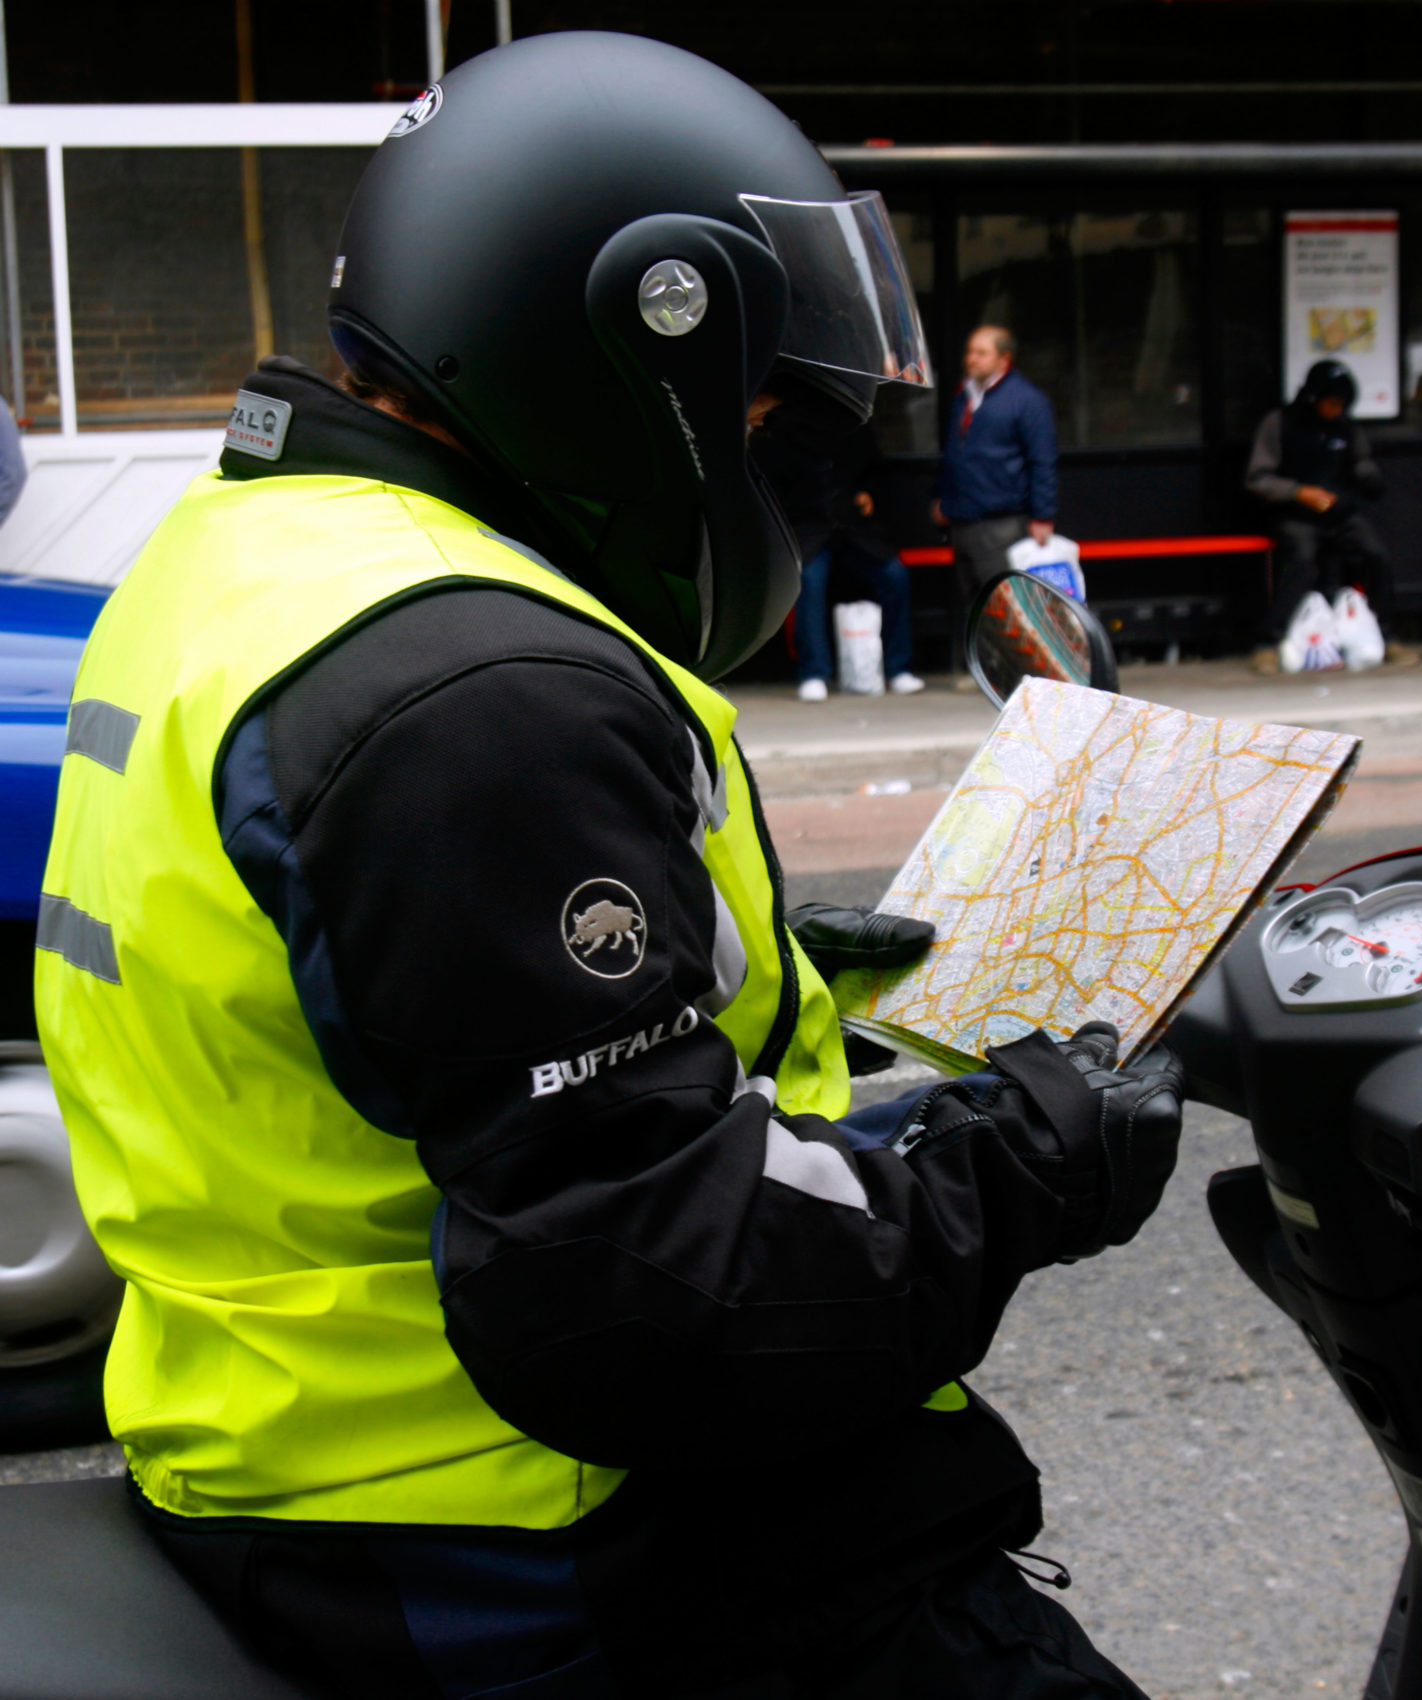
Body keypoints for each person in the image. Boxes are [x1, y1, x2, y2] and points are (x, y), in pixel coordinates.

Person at [35, 33, 1185, 1699]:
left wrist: (749, 965)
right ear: (625, 353)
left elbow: (372, 999)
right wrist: (1022, 1170)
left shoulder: (247, 557)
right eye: (770, 408)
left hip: (306, 1444)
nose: (795, 459)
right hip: (529, 1527)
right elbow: (656, 1299)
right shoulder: (480, 687)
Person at [1245, 358, 1409, 671]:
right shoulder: (1280, 423)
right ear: (1314, 398)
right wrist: (1298, 492)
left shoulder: (1346, 427)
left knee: (1375, 554)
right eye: (1332, 402)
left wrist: (1369, 477)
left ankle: (1388, 637)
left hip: (1340, 515)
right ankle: (1267, 643)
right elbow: (1258, 478)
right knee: (1302, 560)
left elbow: (1361, 462)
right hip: (1294, 514)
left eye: (1342, 404)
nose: (1337, 409)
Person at [755, 416, 925, 700]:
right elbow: (777, 483)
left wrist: (867, 493)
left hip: (854, 527)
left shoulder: (854, 422)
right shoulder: (786, 428)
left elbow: (875, 471)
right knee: (808, 581)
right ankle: (813, 672)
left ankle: (898, 669)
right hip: (811, 528)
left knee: (895, 575)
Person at [933, 325, 1059, 605]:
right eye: (969, 352)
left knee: (1007, 608)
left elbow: (1042, 461)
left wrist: (1042, 516)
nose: (971, 359)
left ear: (1004, 359)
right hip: (963, 521)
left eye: (981, 353)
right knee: (974, 610)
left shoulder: (1027, 401)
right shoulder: (965, 395)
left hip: (1001, 525)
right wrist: (942, 498)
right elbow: (954, 453)